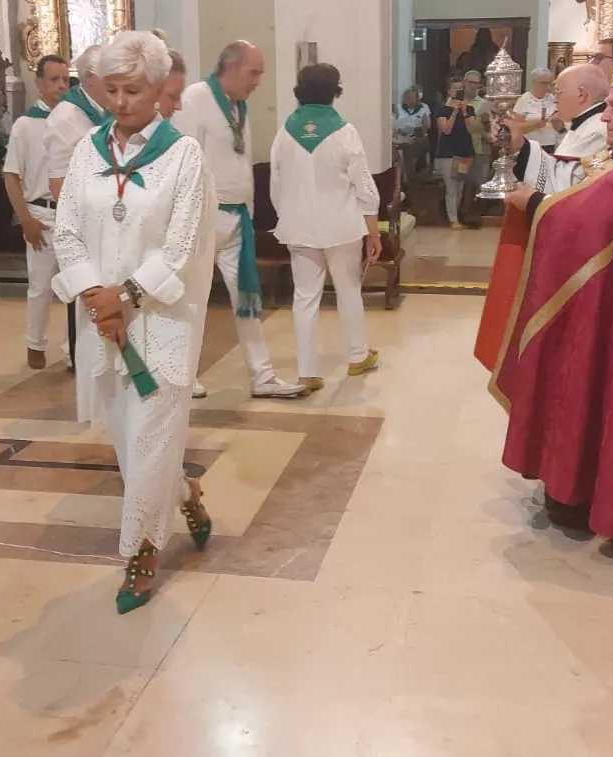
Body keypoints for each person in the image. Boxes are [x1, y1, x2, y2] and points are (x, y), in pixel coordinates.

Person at [477, 17, 613, 555]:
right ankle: (579, 487)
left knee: (589, 381)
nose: (606, 116)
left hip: (610, 307)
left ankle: (580, 491)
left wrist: (536, 205)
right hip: (610, 295)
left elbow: (590, 215)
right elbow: (588, 183)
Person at [52, 30, 216, 613]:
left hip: (163, 321)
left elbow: (185, 244)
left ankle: (140, 555)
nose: (121, 103)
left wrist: (127, 296)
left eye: (135, 90)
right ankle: (185, 490)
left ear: (159, 89)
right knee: (128, 439)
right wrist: (95, 296)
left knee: (149, 439)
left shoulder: (183, 155)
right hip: (102, 321)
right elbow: (66, 229)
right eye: (113, 90)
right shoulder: (87, 153)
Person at [173, 41, 305, 399]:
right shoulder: (194, 99)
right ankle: (183, 375)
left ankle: (262, 375)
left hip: (237, 218)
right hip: (203, 217)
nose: (258, 80)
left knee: (248, 300)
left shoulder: (238, 106)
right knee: (193, 301)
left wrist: (248, 208)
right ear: (230, 67)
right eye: (254, 72)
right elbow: (182, 161)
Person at [269, 63, 381, 392]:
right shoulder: (344, 131)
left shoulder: (284, 133)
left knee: (304, 298)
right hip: (342, 228)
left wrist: (289, 215)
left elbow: (276, 186)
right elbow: (364, 186)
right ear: (336, 91)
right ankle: (358, 356)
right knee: (348, 291)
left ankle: (306, 372)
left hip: (298, 227)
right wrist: (373, 230)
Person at [45, 45, 111, 379]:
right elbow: (57, 182)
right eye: (108, 75)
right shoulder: (65, 117)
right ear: (88, 78)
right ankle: (77, 355)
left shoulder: (105, 111)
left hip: (110, 215)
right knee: (84, 290)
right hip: (83, 220)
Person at [3, 54, 70, 370]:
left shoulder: (74, 122)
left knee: (76, 285)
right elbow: (11, 175)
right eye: (53, 79)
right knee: (41, 285)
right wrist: (25, 219)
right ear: (39, 82)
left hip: (72, 215)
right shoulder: (25, 125)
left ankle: (73, 347)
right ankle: (35, 343)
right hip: (40, 215)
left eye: (64, 80)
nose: (60, 86)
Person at [516, 62, 610, 195]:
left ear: (581, 95)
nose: (555, 100)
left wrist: (522, 147)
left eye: (558, 93)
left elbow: (564, 185)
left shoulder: (596, 131)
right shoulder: (587, 123)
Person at [434, 78, 478, 229]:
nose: (458, 91)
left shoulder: (469, 109)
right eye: (455, 88)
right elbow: (446, 129)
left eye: (461, 88)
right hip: (448, 154)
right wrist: (454, 111)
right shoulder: (442, 110)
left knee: (460, 185)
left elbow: (472, 129)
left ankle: (456, 216)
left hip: (464, 152)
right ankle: (453, 220)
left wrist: (464, 112)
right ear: (449, 91)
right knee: (451, 186)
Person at [510, 68, 562, 154]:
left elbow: (561, 125)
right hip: (530, 146)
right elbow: (516, 127)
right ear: (534, 82)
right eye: (544, 83)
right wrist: (536, 125)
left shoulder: (553, 98)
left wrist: (558, 123)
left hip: (551, 145)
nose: (548, 86)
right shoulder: (524, 100)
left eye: (551, 83)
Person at [393, 85, 432, 177]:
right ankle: (401, 175)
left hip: (416, 137)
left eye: (412, 97)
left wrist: (424, 121)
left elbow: (428, 126)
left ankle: (408, 176)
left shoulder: (423, 108)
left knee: (410, 147)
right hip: (400, 136)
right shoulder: (398, 108)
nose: (409, 99)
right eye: (407, 97)